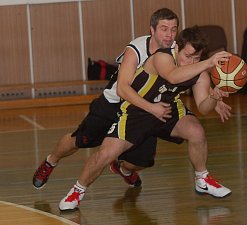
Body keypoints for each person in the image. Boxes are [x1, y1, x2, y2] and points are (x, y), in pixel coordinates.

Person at [32, 8, 230, 189]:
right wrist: (151, 108)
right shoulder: (136, 49)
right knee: (78, 140)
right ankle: (51, 161)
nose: (169, 34)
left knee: (142, 161)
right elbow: (123, 89)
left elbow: (190, 73)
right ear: (152, 30)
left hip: (142, 110)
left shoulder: (177, 52)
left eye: (173, 29)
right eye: (163, 29)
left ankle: (123, 168)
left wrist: (214, 96)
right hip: (114, 104)